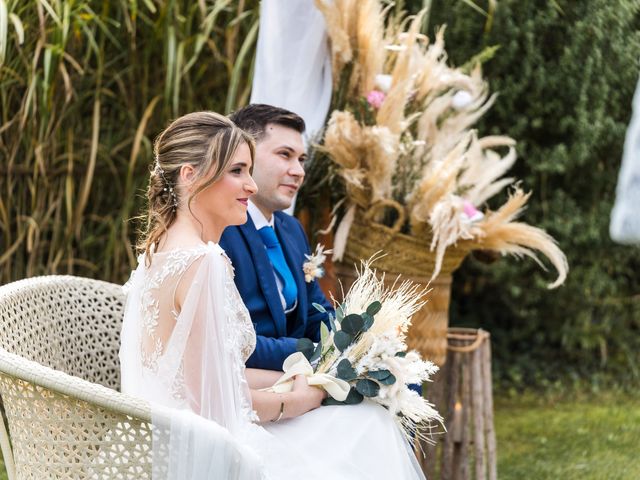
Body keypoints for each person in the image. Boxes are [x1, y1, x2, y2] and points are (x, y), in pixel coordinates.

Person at [119, 111, 426, 479]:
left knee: (363, 423)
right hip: (204, 450)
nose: (250, 185)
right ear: (190, 175)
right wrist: (293, 402)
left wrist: (318, 380)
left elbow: (206, 376)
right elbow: (213, 404)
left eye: (248, 171)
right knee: (369, 431)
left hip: (168, 432)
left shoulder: (162, 250)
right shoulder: (202, 262)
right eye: (236, 171)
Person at [220, 104, 333, 371]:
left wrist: (358, 341)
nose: (299, 171)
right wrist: (312, 356)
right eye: (285, 155)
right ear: (245, 156)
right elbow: (226, 341)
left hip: (297, 375)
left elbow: (315, 311)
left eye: (302, 160)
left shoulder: (291, 229)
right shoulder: (219, 231)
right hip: (248, 385)